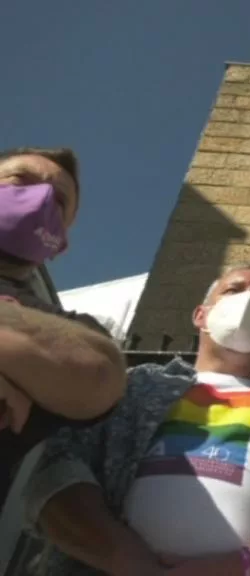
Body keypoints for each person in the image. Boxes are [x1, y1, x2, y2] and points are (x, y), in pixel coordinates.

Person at [23, 262, 250, 576]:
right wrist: (124, 557)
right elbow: (60, 471)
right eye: (234, 289)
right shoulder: (132, 386)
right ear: (200, 314)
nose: (247, 300)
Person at [0, 147, 126, 503]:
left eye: (57, 202)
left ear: (60, 241)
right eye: (20, 180)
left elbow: (98, 374)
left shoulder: (69, 328)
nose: (40, 199)